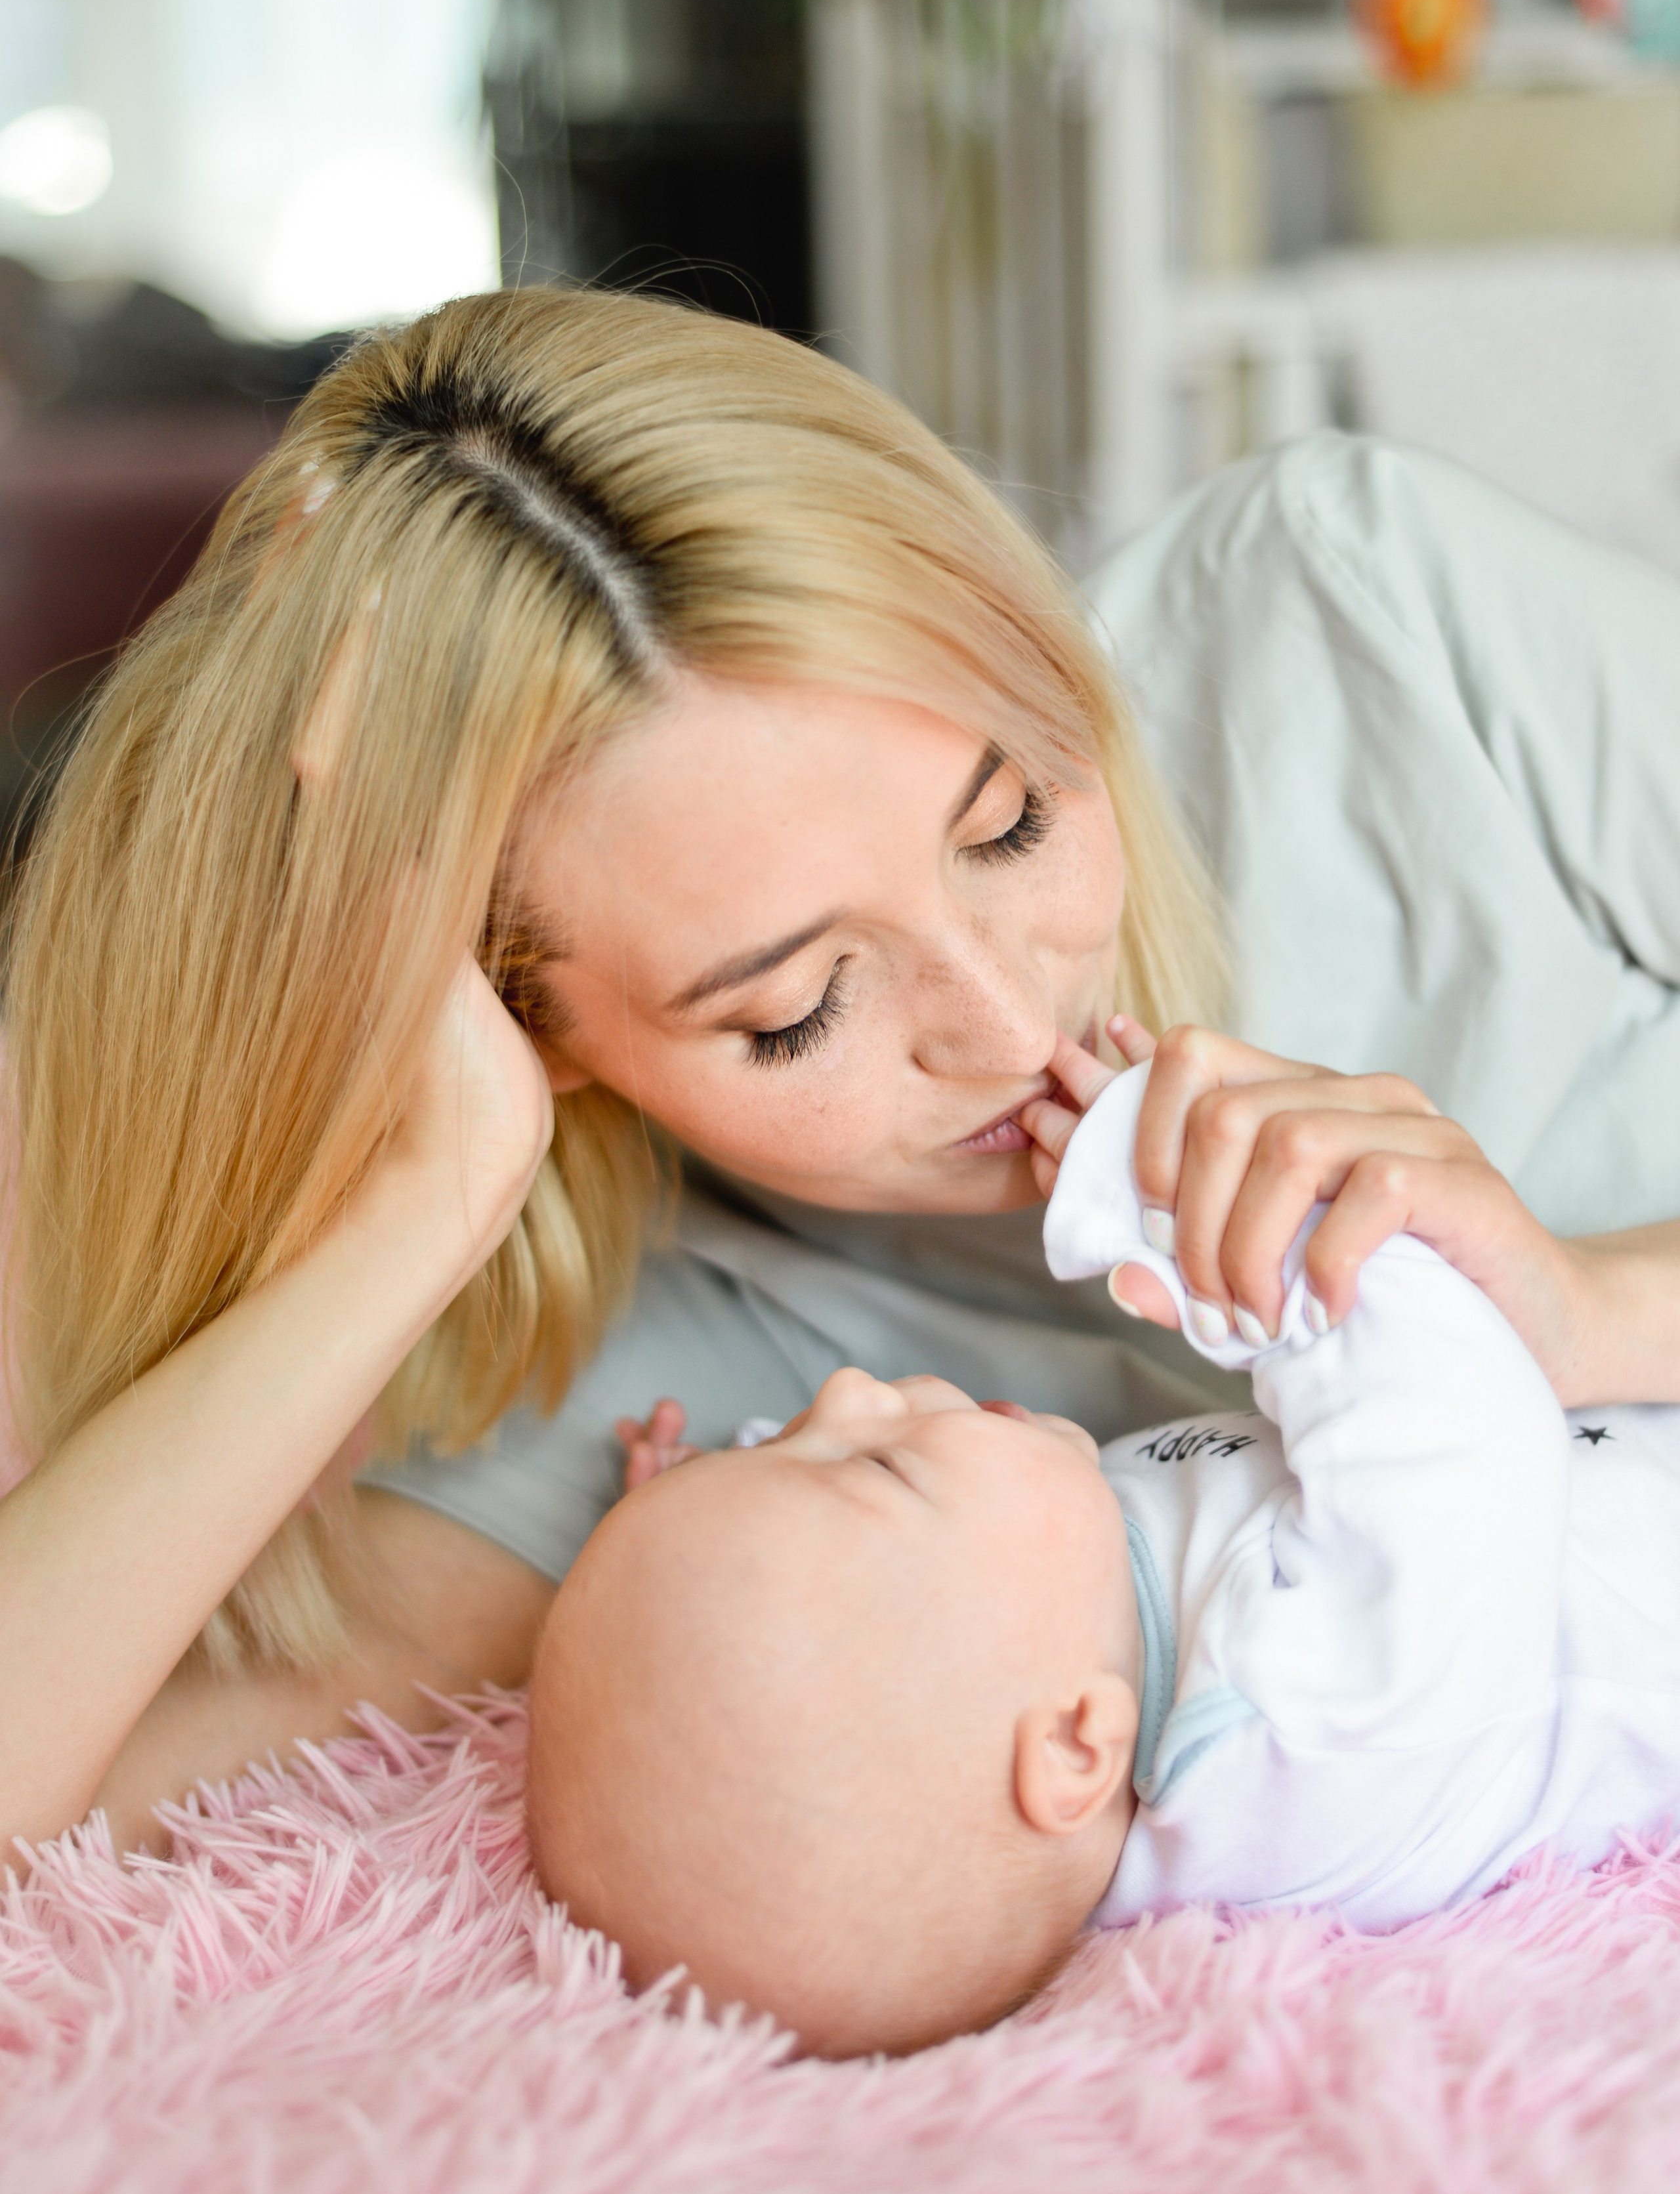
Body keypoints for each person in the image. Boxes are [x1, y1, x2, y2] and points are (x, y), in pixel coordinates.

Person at [3, 285, 1679, 1870]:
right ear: (534, 1027)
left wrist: (1591, 1310)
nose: (1008, 1030)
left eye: (1011, 816)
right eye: (796, 1010)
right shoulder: (689, 1396)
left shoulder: (1353, 610)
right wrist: (413, 1200)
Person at [526, 1042, 1680, 2059]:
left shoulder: (1025, 1662)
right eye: (876, 1465)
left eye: (796, 1443)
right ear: (1075, 1747)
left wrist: (703, 1518)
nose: (845, 1391)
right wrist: (1174, 1199)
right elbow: (1456, 1420)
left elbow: (829, 1632)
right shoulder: (1305, 1734)